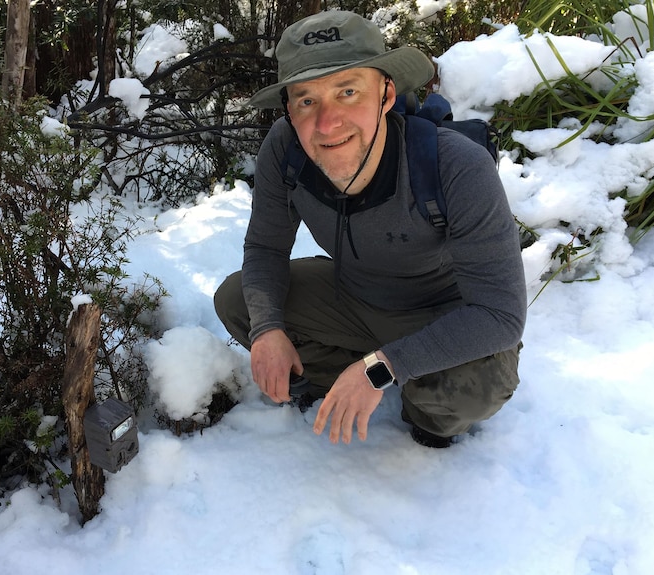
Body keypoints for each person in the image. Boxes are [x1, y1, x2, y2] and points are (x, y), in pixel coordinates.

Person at [214, 10, 526, 448]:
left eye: (347, 91)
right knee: (238, 301)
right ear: (288, 108)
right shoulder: (285, 149)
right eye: (307, 100)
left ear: (385, 93)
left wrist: (381, 368)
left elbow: (500, 314)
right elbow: (266, 247)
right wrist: (267, 329)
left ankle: (416, 401)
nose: (327, 123)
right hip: (351, 299)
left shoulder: (454, 165)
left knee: (477, 387)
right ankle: (339, 377)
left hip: (441, 313)